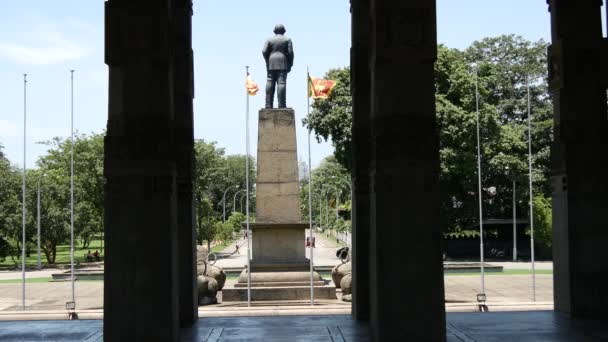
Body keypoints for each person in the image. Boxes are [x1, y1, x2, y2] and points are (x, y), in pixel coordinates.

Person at [262, 24, 294, 108]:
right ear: (284, 31)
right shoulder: (287, 39)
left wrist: (267, 60)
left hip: (271, 61)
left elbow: (264, 51)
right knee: (281, 83)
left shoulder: (269, 40)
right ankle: (282, 105)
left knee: (270, 81)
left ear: (274, 31)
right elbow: (290, 53)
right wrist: (290, 63)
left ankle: (268, 104)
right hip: (283, 62)